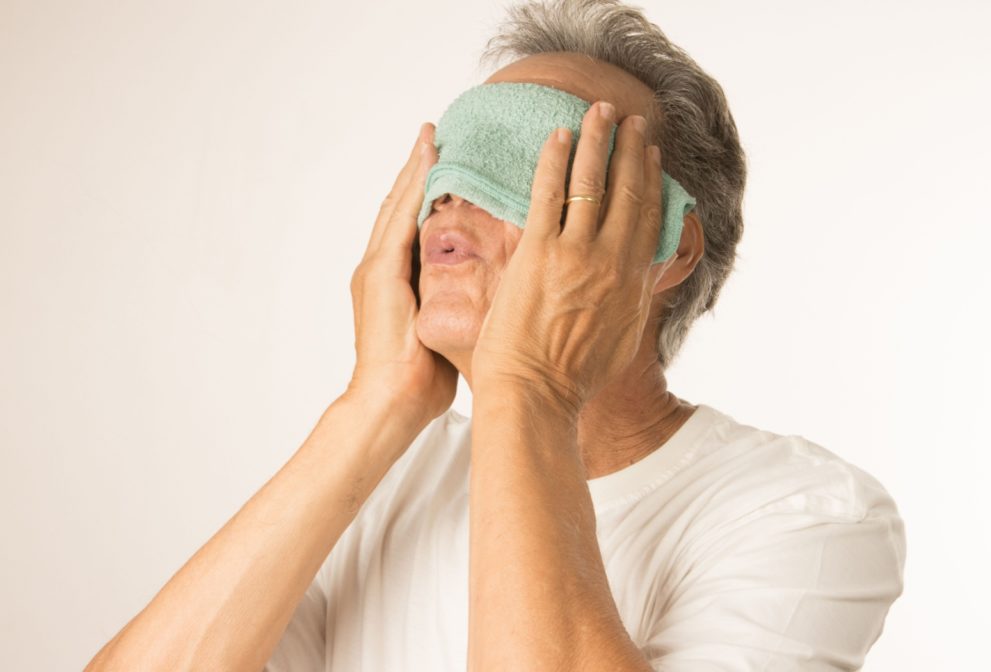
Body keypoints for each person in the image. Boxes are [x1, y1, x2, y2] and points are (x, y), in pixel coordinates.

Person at [84, 1, 905, 670]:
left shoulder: (802, 514)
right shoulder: (383, 482)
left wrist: (529, 387)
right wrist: (374, 405)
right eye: (447, 161)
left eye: (521, 157)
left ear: (667, 247)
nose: (448, 194)